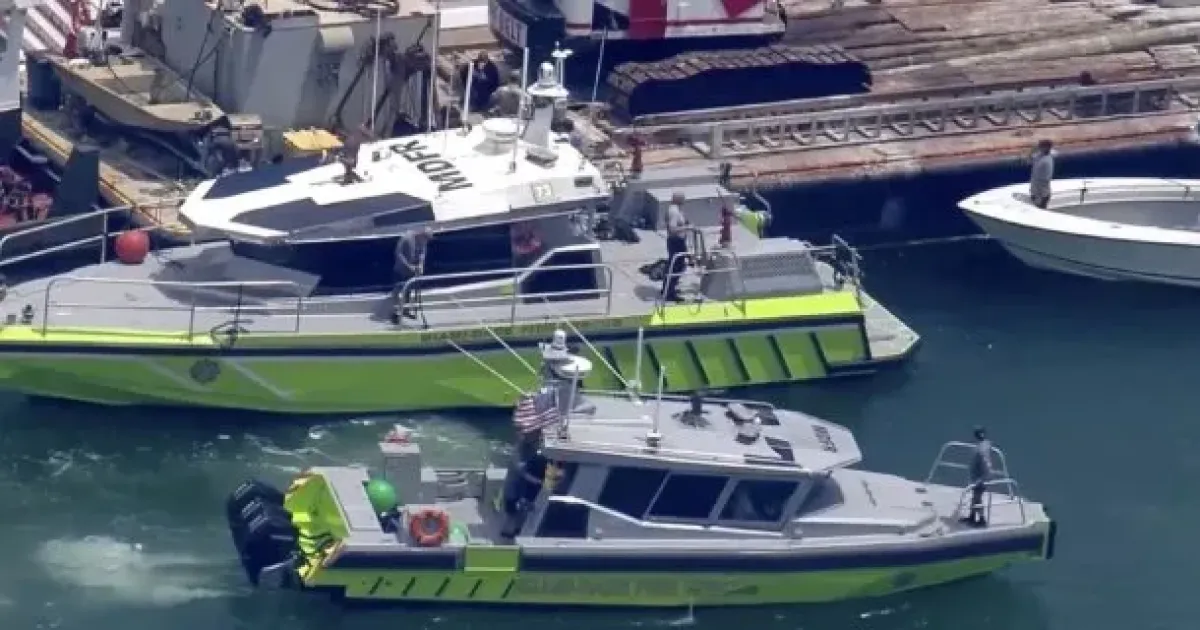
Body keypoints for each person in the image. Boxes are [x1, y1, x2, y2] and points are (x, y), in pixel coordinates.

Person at [500, 429, 549, 539]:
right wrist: (541, 482)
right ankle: (507, 533)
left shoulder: (525, 450)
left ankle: (513, 530)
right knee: (511, 513)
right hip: (512, 490)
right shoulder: (517, 454)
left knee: (516, 512)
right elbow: (523, 473)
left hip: (517, 489)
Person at [391, 226, 432, 323]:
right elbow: (398, 253)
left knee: (408, 291)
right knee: (398, 291)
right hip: (400, 270)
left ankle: (405, 310)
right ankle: (395, 313)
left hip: (411, 272)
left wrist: (420, 265)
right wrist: (408, 266)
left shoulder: (423, 242)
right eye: (425, 238)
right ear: (421, 234)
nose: (426, 241)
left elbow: (422, 254)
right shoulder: (406, 237)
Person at [661, 192, 690, 302]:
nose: (684, 200)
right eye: (683, 198)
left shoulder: (675, 210)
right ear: (679, 199)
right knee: (677, 267)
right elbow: (672, 229)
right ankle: (670, 293)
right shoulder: (674, 212)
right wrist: (687, 227)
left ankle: (667, 288)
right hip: (676, 242)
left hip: (676, 241)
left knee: (673, 265)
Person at [964, 426, 994, 527]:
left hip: (980, 478)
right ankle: (972, 516)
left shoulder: (981, 449)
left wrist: (982, 479)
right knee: (975, 497)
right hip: (977, 476)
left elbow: (987, 465)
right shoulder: (984, 444)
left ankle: (982, 520)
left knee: (977, 498)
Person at [1029, 139, 1055, 209]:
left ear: (1046, 148)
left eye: (1041, 146)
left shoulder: (1047, 161)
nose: (1039, 147)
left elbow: (1047, 178)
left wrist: (1039, 196)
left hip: (1042, 195)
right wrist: (1032, 150)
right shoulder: (1039, 156)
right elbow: (1030, 159)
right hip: (1035, 192)